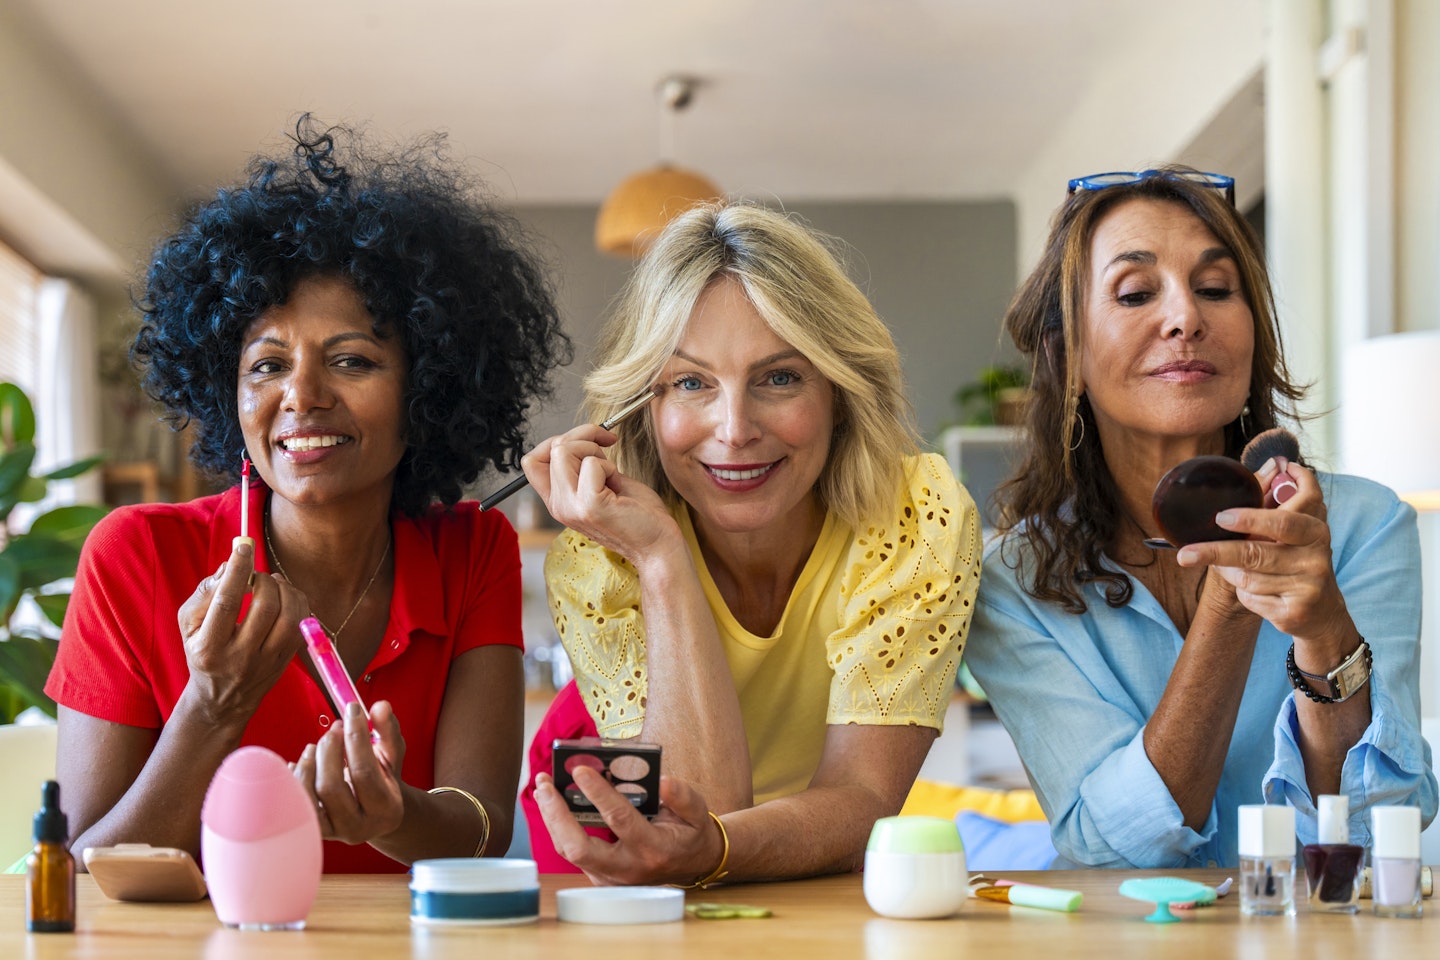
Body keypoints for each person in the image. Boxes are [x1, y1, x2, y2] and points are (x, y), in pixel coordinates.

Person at [46, 119, 570, 872]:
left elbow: (481, 826)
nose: (301, 397)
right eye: (266, 365)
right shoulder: (135, 554)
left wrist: (394, 817)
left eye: (352, 361)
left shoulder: (471, 548)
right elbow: (81, 875)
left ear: (428, 390)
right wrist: (210, 708)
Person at [964, 167, 1438, 868]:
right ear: (1069, 357)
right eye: (1135, 293)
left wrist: (1325, 633)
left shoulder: (1365, 525)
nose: (1187, 316)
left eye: (1216, 289)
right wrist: (1231, 601)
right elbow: (1114, 851)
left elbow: (1377, 832)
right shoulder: (1013, 583)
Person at [518, 202, 982, 885]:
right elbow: (691, 820)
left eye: (780, 377)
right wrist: (660, 558)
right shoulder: (598, 560)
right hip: (609, 813)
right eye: (690, 382)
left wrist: (714, 849)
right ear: (644, 406)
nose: (733, 429)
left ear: (839, 390)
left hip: (792, 863)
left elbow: (862, 802)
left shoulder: (918, 513)